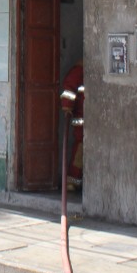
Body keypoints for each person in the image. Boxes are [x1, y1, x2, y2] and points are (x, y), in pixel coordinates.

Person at [60, 61, 85, 191]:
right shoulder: (78, 71)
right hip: (82, 120)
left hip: (91, 117)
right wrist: (67, 107)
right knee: (80, 150)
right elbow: (69, 90)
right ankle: (73, 180)